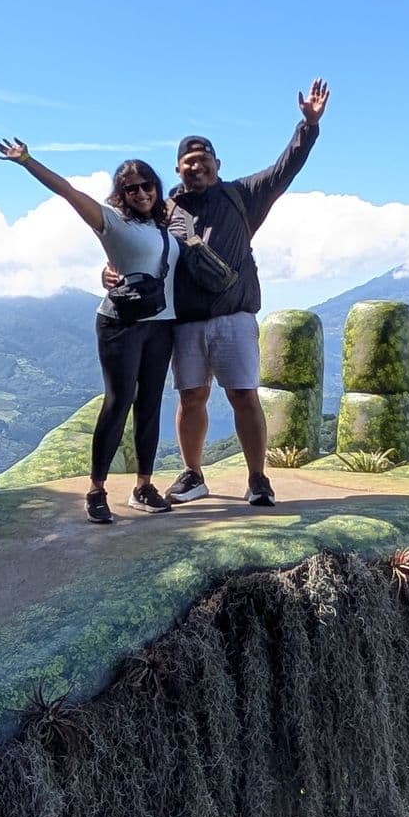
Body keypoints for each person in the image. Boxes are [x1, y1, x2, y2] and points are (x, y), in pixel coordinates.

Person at [105, 78, 330, 506]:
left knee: (243, 395)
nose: (197, 166)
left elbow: (287, 167)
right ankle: (193, 475)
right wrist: (110, 271)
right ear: (177, 169)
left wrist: (308, 126)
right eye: (189, 161)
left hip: (234, 317)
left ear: (218, 163)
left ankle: (258, 479)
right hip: (186, 321)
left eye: (204, 159)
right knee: (191, 397)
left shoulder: (243, 196)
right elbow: (130, 242)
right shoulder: (163, 209)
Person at [0, 141, 179, 524]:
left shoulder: (163, 225)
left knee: (150, 404)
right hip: (121, 324)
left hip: (162, 324)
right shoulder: (110, 220)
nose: (142, 193)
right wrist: (29, 161)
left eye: (148, 185)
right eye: (133, 188)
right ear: (121, 193)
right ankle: (96, 489)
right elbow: (67, 192)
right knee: (119, 400)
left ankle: (144, 486)